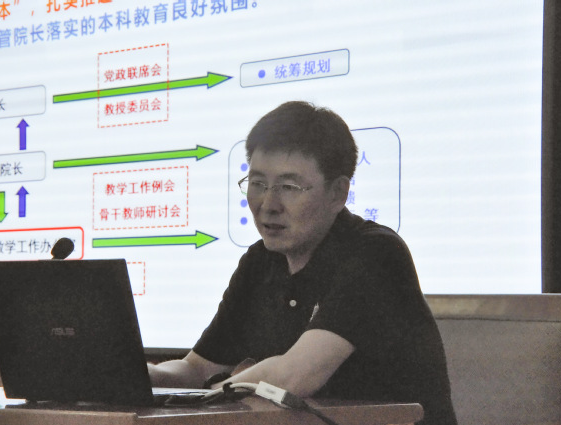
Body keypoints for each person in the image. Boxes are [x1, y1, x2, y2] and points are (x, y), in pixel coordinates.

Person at [148, 101, 458, 425]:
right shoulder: (259, 262)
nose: (269, 204)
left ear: (337, 193)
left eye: (289, 187)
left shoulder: (375, 253)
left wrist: (210, 394)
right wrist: (135, 375)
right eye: (257, 183)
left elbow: (294, 376)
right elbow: (195, 369)